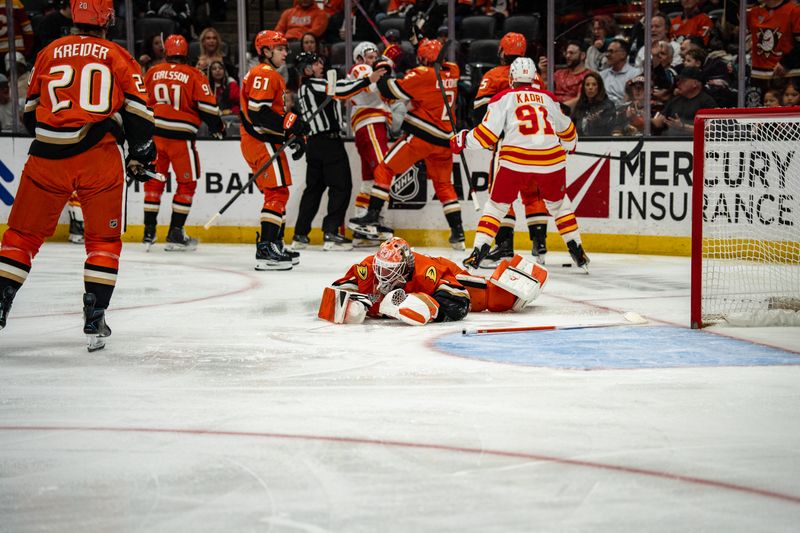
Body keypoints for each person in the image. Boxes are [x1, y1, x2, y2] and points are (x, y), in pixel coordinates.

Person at [0, 0, 156, 352]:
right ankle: (95, 315)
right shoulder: (116, 55)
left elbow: (29, 115)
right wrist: (140, 153)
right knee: (102, 242)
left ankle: (1, 301)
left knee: (21, 238)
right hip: (98, 156)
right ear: (106, 19)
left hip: (46, 156)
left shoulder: (49, 52)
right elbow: (139, 114)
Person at [451, 57, 590, 271]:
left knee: (496, 207)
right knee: (559, 205)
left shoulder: (503, 98)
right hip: (551, 160)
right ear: (534, 76)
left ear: (511, 77)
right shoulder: (548, 98)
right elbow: (568, 130)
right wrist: (570, 145)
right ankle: (576, 248)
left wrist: (462, 139)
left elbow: (486, 136)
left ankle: (478, 252)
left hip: (515, 160)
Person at [348, 39, 466, 250]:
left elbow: (389, 89)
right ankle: (458, 233)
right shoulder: (453, 71)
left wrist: (384, 64)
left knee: (384, 168)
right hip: (445, 141)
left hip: (422, 137)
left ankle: (373, 216)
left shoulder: (423, 75)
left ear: (423, 58)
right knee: (444, 186)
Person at [318, 237, 548, 326]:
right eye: (381, 268)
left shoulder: (425, 270)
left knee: (494, 298)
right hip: (416, 287)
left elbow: (459, 304)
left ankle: (527, 272)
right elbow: (335, 292)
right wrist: (354, 304)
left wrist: (425, 306)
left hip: (445, 271)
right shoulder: (367, 267)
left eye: (390, 270)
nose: (382, 276)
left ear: (405, 267)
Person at [291, 51, 383, 251]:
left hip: (315, 145)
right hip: (329, 143)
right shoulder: (314, 84)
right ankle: (331, 233)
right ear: (307, 69)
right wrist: (368, 79)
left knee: (313, 190)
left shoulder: (303, 89)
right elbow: (340, 90)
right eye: (316, 63)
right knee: (341, 186)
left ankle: (300, 234)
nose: (320, 65)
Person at [473, 32, 550, 267]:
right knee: (533, 194)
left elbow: (479, 110)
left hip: (509, 146)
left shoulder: (494, 75)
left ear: (502, 52)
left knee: (501, 196)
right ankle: (540, 244)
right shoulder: (536, 78)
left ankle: (505, 246)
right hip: (538, 145)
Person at [143, 34, 225, 251]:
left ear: (166, 52)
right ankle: (175, 232)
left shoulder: (152, 72)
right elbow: (209, 109)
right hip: (181, 140)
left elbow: (140, 102)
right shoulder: (194, 75)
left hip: (154, 137)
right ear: (186, 52)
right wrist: (218, 129)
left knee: (153, 182)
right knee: (187, 184)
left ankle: (148, 231)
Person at [240, 30, 309, 271]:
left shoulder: (267, 74)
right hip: (260, 141)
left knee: (278, 193)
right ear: (266, 51)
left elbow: (270, 115)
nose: (285, 53)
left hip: (262, 140)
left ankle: (275, 243)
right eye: (280, 48)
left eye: (285, 48)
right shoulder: (265, 73)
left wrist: (292, 132)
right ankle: (267, 247)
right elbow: (259, 112)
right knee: (277, 193)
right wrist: (289, 122)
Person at [345, 41, 394, 248]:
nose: (374, 60)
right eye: (370, 57)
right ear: (359, 58)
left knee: (369, 179)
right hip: (371, 124)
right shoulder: (360, 68)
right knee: (384, 171)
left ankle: (362, 226)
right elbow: (373, 86)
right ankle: (373, 219)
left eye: (376, 56)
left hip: (369, 127)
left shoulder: (367, 69)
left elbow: (388, 97)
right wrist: (387, 68)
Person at [746, 0, 800, 106]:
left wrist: (786, 63)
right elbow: (731, 17)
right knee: (763, 119)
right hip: (760, 76)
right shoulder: (754, 11)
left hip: (788, 75)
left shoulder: (794, 10)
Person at [651, 67, 716, 136]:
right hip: (670, 143)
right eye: (679, 80)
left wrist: (683, 127)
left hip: (692, 144)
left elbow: (711, 130)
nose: (678, 83)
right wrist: (646, 120)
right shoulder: (675, 100)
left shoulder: (707, 102)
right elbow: (660, 121)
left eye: (683, 81)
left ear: (695, 83)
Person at [572, 71, 617, 136]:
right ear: (584, 88)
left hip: (601, 142)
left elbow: (610, 129)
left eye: (594, 84)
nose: (590, 88)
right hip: (580, 142)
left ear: (599, 87)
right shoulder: (580, 105)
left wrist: (598, 122)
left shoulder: (608, 106)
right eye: (587, 85)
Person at [599, 38, 641, 106]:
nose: (607, 55)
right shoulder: (602, 75)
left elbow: (635, 99)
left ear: (623, 54)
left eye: (611, 51)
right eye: (607, 51)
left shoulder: (635, 74)